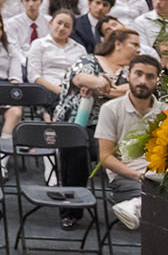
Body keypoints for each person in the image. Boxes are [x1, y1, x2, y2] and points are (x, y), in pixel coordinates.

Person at [53, 27, 141, 230]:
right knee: (77, 147)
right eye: (134, 44)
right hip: (80, 124)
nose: (138, 49)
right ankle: (70, 209)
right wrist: (105, 85)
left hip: (115, 129)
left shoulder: (133, 70)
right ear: (118, 44)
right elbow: (80, 78)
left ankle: (131, 205)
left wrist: (102, 88)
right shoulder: (90, 60)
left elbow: (135, 90)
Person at [97, 52, 164, 230]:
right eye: (138, 74)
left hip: (159, 176)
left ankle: (136, 206)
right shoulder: (110, 109)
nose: (143, 81)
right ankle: (139, 204)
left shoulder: (166, 112)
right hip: (126, 176)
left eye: (150, 76)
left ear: (157, 80)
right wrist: (139, 176)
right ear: (128, 76)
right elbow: (105, 157)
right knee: (158, 203)